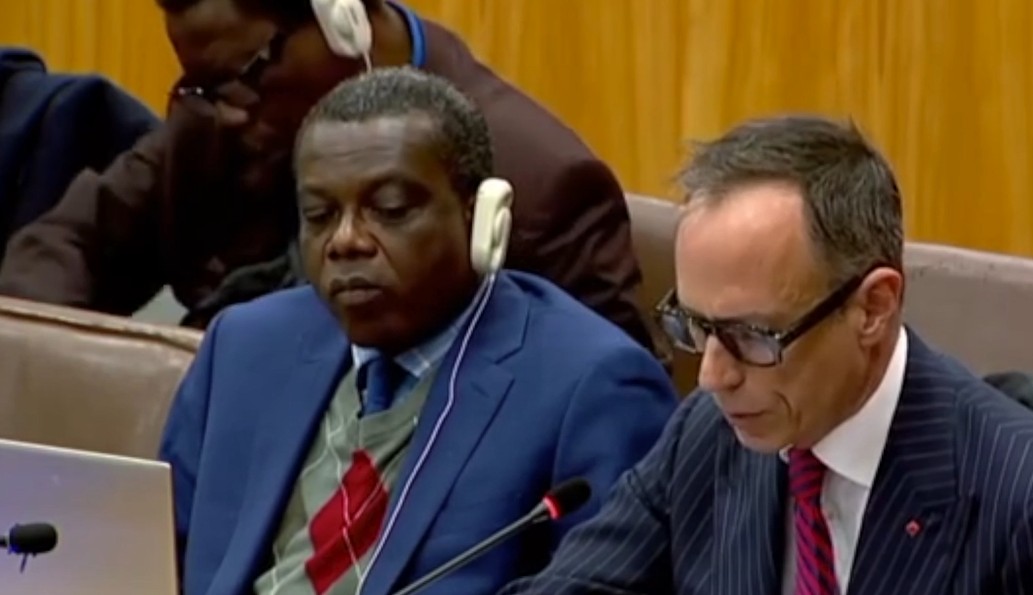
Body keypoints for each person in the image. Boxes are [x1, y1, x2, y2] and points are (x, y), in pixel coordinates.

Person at [501, 115, 1033, 595]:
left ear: (873, 307)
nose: (712, 374)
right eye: (694, 326)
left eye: (753, 335)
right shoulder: (706, 435)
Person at [158, 67, 677, 595]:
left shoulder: (592, 387)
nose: (345, 241)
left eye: (390, 210)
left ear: (481, 217)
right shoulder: (244, 347)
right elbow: (150, 561)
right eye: (319, 215)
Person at [0, 0, 657, 356]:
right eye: (203, 85)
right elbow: (67, 245)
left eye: (246, 74)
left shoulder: (538, 184)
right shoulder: (225, 116)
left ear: (342, 20)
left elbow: (617, 408)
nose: (229, 111)